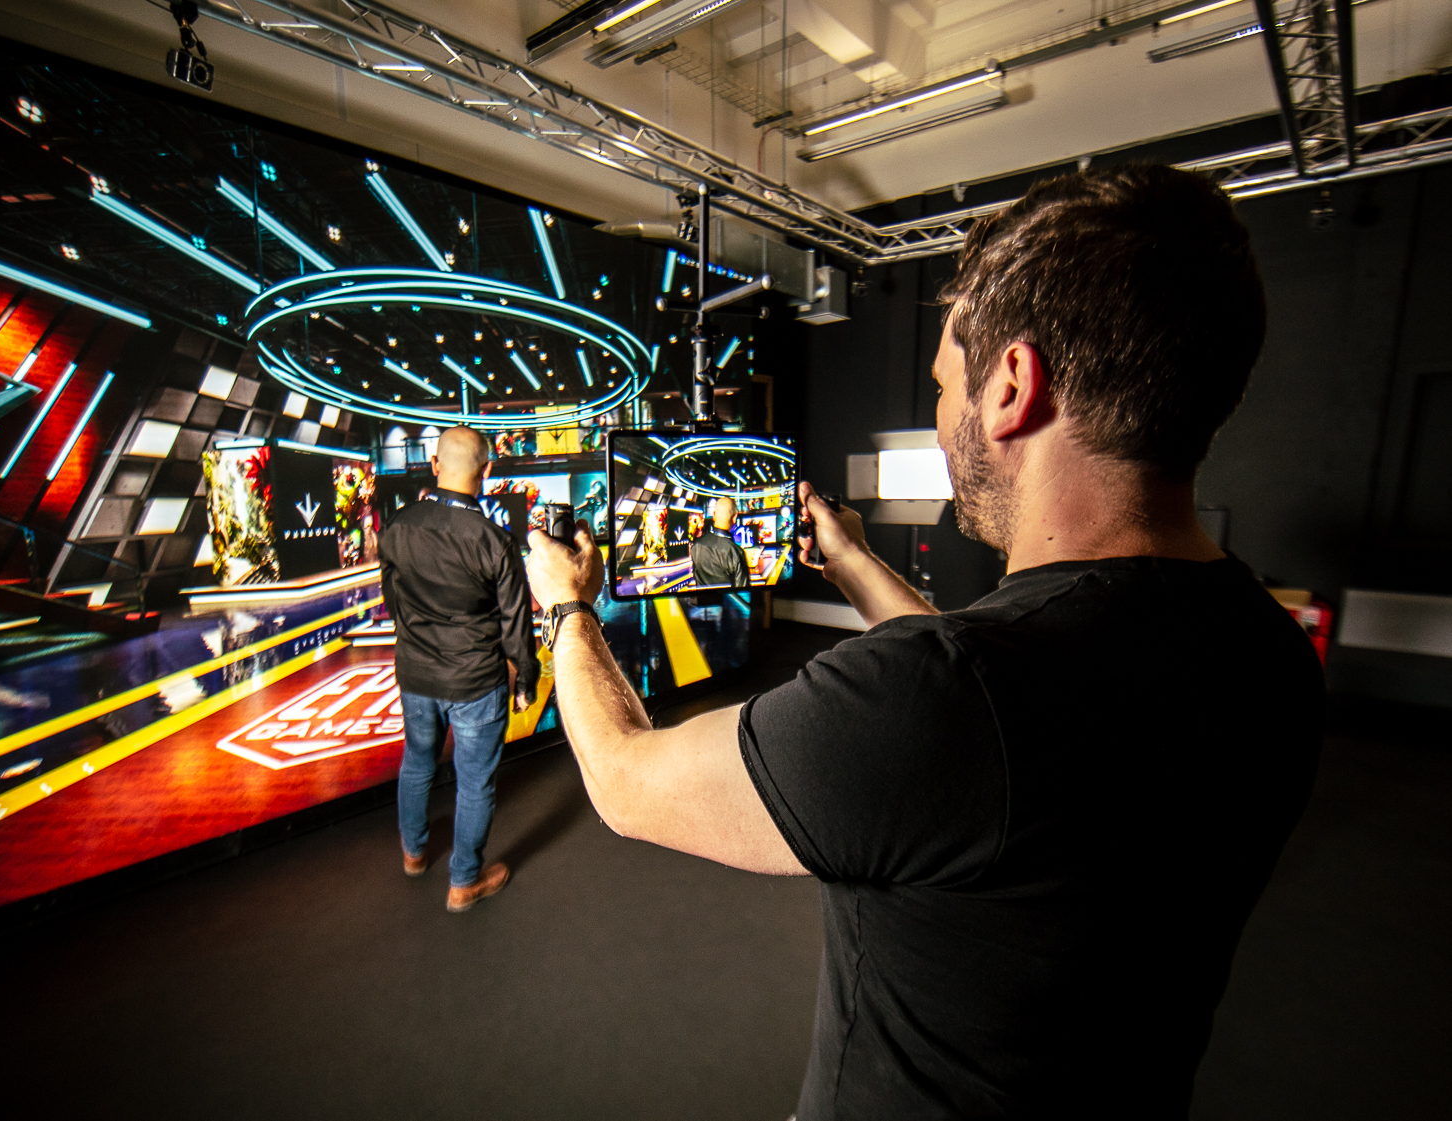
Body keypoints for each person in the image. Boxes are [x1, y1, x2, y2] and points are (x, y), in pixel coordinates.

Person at [524, 165, 1323, 1117]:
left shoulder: (947, 699)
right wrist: (856, 560)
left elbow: (622, 780)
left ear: (1013, 387)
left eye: (947, 383)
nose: (947, 419)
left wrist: (568, 607)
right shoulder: (1267, 648)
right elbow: (996, 695)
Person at [379, 425, 538, 913]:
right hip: (475, 682)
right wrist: (526, 679)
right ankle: (465, 880)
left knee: (418, 761)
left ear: (434, 465)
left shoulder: (397, 527)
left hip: (416, 675)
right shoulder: (495, 541)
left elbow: (393, 602)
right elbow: (516, 627)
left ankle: (413, 853)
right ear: (488, 472)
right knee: (474, 782)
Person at [689, 496, 751, 589]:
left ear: (714, 515)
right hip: (726, 603)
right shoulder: (736, 552)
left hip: (703, 602)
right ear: (734, 518)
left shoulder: (697, 545)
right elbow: (743, 593)